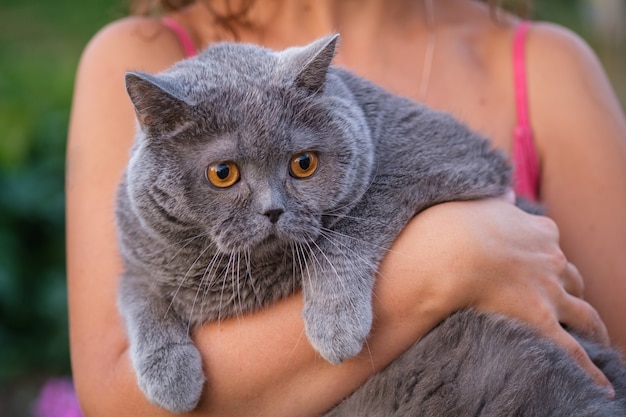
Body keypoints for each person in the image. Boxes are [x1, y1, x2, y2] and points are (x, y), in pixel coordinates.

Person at [65, 0, 626, 415]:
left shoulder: (546, 65)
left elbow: (605, 338)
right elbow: (125, 401)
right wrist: (448, 260)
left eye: (304, 167)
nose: (271, 206)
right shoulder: (142, 51)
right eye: (224, 174)